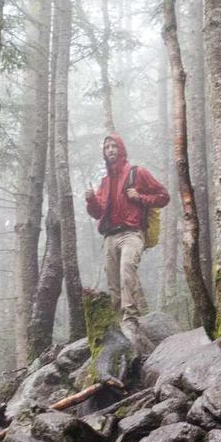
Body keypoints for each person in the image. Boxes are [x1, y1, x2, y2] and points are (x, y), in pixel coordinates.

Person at [84, 133, 170, 322]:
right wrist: (91, 200)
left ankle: (131, 318)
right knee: (113, 282)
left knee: (127, 271)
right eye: (107, 148)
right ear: (104, 153)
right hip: (109, 236)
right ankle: (119, 322)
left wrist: (140, 197)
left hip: (132, 233)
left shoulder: (137, 173)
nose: (110, 150)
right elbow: (98, 213)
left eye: (114, 146)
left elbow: (164, 196)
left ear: (121, 149)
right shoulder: (105, 182)